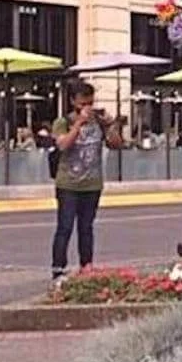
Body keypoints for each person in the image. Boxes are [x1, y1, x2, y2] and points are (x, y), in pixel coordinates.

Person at [50, 80, 123, 279]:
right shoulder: (63, 122)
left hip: (92, 184)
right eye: (83, 103)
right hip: (68, 184)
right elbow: (63, 145)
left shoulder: (98, 122)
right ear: (73, 101)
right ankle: (58, 271)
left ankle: (86, 268)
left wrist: (111, 125)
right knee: (64, 228)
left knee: (86, 228)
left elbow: (116, 144)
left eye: (90, 103)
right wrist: (79, 123)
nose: (87, 108)